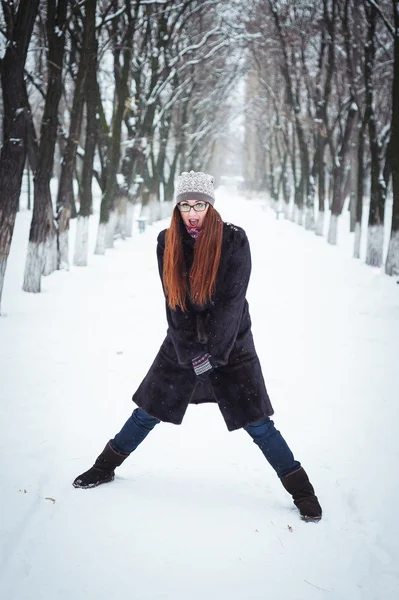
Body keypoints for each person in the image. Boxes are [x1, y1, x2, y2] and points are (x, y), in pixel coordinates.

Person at [73, 170, 322, 522]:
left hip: (232, 343)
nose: (192, 212)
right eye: (186, 205)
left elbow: (232, 304)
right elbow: (173, 302)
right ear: (177, 207)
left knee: (257, 422)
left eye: (199, 204)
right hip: (183, 341)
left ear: (211, 205)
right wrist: (191, 352)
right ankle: (103, 467)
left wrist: (214, 355)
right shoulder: (167, 241)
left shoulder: (234, 241)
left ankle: (303, 491)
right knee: (147, 411)